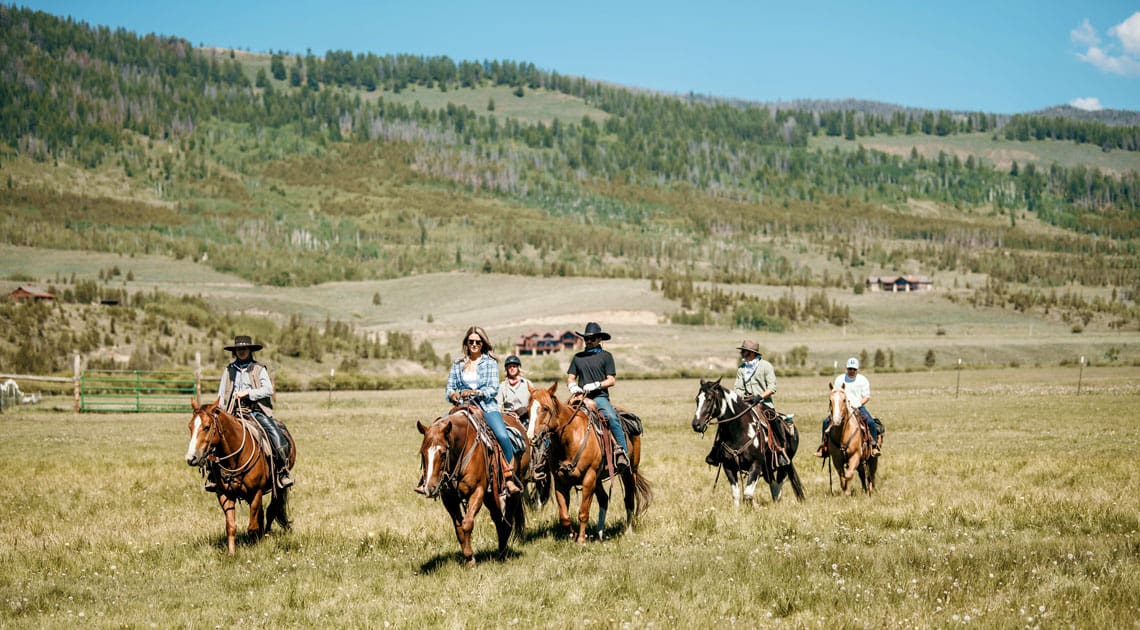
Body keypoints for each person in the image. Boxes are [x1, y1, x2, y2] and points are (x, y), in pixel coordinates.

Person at [442, 326, 522, 496]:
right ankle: (435, 477)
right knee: (437, 433)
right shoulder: (458, 364)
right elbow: (449, 388)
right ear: (466, 343)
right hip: (462, 406)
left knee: (502, 435)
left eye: (478, 342)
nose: (474, 344)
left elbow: (493, 388)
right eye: (471, 341)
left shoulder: (490, 362)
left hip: (486, 406)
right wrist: (454, 395)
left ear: (483, 343)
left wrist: (476, 392)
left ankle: (508, 476)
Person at [214, 335, 294, 489]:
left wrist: (248, 393)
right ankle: (213, 476)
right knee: (213, 438)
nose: (242, 351)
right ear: (235, 351)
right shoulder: (229, 370)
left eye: (244, 349)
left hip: (255, 411)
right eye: (239, 349)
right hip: (232, 411)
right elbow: (221, 394)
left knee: (276, 435)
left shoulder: (258, 368)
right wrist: (219, 412)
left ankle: (282, 471)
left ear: (250, 350)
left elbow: (268, 390)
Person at [566, 322, 629, 473]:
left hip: (599, 397)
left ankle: (622, 452)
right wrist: (573, 387)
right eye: (586, 338)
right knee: (558, 417)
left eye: (592, 338)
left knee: (612, 418)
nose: (588, 341)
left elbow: (611, 380)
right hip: (579, 397)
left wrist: (596, 385)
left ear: (599, 338)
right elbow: (570, 378)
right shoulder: (577, 358)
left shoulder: (606, 356)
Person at [706, 339, 780, 466]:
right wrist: (741, 399)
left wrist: (760, 396)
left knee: (775, 422)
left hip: (764, 404)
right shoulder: (741, 369)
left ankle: (781, 450)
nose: (741, 353)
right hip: (745, 404)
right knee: (726, 422)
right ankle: (716, 451)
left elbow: (772, 388)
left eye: (743, 351)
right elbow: (738, 388)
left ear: (751, 353)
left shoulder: (766, 366)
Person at [816, 357, 880, 458]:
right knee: (825, 422)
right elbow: (835, 393)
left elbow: (867, 397)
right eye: (850, 369)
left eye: (854, 369)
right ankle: (824, 447)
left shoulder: (863, 380)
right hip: (842, 409)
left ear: (857, 369)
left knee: (871, 422)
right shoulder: (839, 379)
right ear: (846, 368)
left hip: (858, 407)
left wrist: (858, 404)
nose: (852, 371)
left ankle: (874, 445)